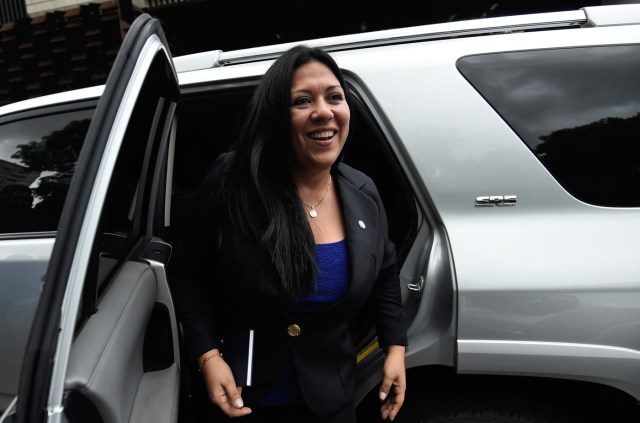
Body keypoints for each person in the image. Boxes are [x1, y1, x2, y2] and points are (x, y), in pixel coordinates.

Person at [168, 44, 407, 423]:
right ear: (277, 115)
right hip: (241, 399)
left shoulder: (363, 192)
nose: (323, 112)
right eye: (302, 101)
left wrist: (395, 347)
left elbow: (384, 269)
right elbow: (186, 272)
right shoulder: (232, 181)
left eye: (334, 97)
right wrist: (209, 357)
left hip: (332, 397)